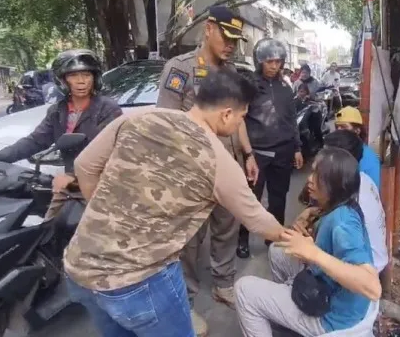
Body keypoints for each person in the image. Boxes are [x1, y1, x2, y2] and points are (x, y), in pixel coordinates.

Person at [63, 70, 285, 337]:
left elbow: (84, 166)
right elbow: (258, 221)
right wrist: (290, 236)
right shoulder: (218, 161)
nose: (240, 123)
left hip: (81, 267)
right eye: (241, 116)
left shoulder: (139, 117)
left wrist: (109, 219)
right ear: (226, 114)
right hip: (138, 282)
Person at [156, 5, 257, 334]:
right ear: (209, 28)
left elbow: (237, 117)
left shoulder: (232, 74)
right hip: (193, 171)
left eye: (235, 39)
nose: (231, 44)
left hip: (228, 166)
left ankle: (223, 282)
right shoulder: (180, 68)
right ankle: (184, 301)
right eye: (226, 36)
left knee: (227, 227)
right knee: (189, 238)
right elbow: (167, 123)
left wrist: (249, 154)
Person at [234, 147, 382, 337]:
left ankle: (294, 320)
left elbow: (372, 287)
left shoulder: (342, 224)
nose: (310, 179)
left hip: (333, 317)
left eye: (318, 175)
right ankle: (287, 324)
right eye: (312, 171)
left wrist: (313, 253)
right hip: (334, 295)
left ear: (334, 184)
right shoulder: (340, 205)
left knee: (244, 291)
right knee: (278, 251)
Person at [0, 49, 122, 218]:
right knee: (49, 230)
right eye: (73, 76)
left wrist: (72, 176)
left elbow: (109, 152)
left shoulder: (107, 109)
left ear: (94, 77)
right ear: (62, 80)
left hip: (100, 185)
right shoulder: (58, 111)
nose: (81, 81)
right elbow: (34, 141)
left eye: (86, 75)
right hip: (69, 186)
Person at [236, 38, 303, 259]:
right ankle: (243, 239)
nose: (274, 66)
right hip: (259, 155)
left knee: (278, 198)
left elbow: (292, 120)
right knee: (251, 199)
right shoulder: (250, 85)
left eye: (278, 61)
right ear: (260, 61)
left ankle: (273, 237)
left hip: (283, 153)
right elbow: (240, 119)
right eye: (269, 61)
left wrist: (297, 148)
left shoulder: (285, 86)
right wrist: (248, 154)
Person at [322, 130, 388, 272]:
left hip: (366, 269)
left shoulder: (348, 197)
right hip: (376, 258)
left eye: (324, 158)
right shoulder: (363, 177)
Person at [334, 106, 381, 188]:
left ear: (357, 130)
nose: (339, 131)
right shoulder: (335, 152)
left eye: (344, 127)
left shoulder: (368, 158)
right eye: (337, 127)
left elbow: (371, 192)